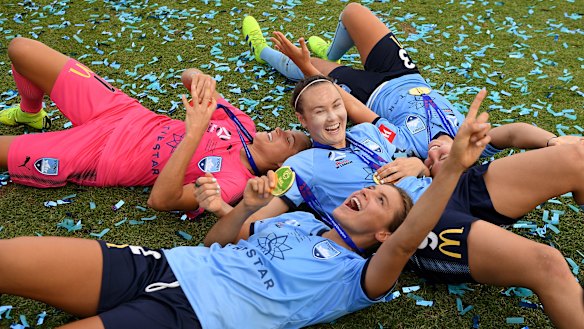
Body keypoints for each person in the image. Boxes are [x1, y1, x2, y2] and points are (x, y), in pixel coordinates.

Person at [0, 84, 490, 329]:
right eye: (370, 190)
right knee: (10, 257)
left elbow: (410, 239)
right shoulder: (297, 217)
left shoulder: (359, 277)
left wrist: (448, 171)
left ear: (384, 235)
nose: (364, 193)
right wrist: (243, 208)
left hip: (194, 315)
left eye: (379, 201)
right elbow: (217, 241)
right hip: (164, 266)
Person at [196, 70, 584, 327]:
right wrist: (225, 208)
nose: (332, 118)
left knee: (575, 157)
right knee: (546, 264)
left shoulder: (371, 132)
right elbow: (255, 223)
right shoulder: (301, 166)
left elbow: (422, 151)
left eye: (335, 105)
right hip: (421, 224)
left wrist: (419, 162)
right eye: (318, 112)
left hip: (450, 184)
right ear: (302, 121)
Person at [241, 9, 583, 176]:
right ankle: (329, 53)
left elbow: (358, 111)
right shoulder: (471, 143)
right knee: (353, 13)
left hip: (370, 91)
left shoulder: (409, 147)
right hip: (406, 74)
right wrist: (551, 141)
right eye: (443, 157)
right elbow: (513, 133)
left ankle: (261, 50)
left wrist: (311, 72)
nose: (433, 154)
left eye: (431, 165)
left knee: (302, 63)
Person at [0, 37, 310, 214]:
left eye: (290, 140)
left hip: (102, 156)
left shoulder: (232, 183)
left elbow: (161, 201)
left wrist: (193, 135)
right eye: (289, 128)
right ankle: (31, 113)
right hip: (122, 112)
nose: (282, 130)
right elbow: (188, 78)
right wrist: (199, 76)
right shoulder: (242, 123)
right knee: (21, 50)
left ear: (281, 165)